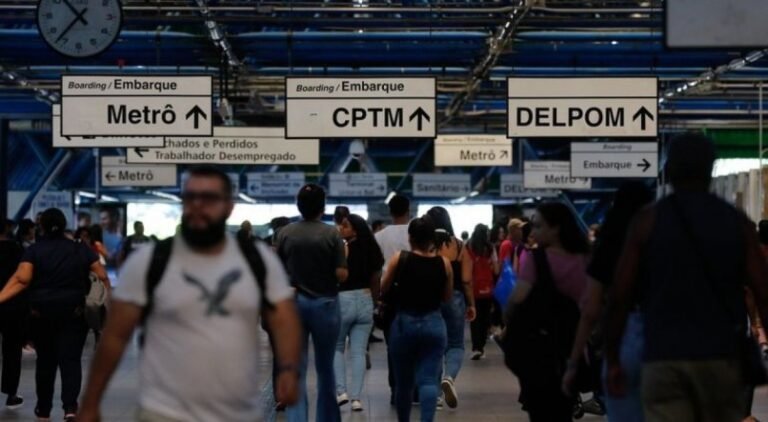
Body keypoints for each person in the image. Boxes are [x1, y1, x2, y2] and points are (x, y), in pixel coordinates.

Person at [79, 166, 301, 422]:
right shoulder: (150, 261)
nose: (198, 205)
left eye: (209, 198)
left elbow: (284, 318)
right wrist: (91, 403)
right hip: (164, 412)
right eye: (190, 197)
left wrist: (289, 368)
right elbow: (116, 336)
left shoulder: (256, 260)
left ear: (229, 207)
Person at [606, 133, 768, 422]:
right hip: (721, 358)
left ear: (669, 170)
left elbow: (620, 295)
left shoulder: (647, 222)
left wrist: (613, 357)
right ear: (710, 168)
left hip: (663, 356)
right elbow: (763, 291)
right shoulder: (737, 222)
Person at [0, 208, 110, 422]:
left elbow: (22, 279)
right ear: (63, 224)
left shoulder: (34, 251)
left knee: (46, 363)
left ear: (41, 226)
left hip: (41, 316)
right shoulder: (80, 250)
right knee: (70, 361)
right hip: (74, 315)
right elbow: (102, 275)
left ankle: (43, 410)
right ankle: (70, 408)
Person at [561, 182, 655, 422]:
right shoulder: (666, 241)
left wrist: (574, 361)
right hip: (665, 340)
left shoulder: (609, 247)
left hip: (624, 338)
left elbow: (590, 309)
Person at [506, 202, 590, 422]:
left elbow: (517, 300)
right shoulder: (584, 259)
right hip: (573, 346)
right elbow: (590, 310)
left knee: (541, 413)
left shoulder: (535, 260)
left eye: (539, 226)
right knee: (564, 412)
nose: (532, 233)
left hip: (539, 351)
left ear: (556, 228)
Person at [277, 184, 348, 422]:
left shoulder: (285, 233)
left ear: (299, 205)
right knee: (325, 368)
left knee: (297, 367)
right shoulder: (332, 234)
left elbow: (277, 271)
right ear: (322, 206)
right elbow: (340, 273)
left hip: (294, 303)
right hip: (325, 304)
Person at [382, 217, 452, 422]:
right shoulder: (444, 263)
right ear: (432, 238)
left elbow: (383, 288)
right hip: (434, 323)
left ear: (410, 238)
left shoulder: (399, 259)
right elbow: (447, 297)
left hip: (405, 323)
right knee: (429, 380)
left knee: (404, 383)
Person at [424, 206, 475, 410]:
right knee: (455, 345)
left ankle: (436, 396)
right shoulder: (460, 246)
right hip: (455, 298)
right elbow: (466, 280)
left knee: (434, 346)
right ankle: (449, 378)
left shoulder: (424, 244)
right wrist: (471, 304)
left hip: (430, 299)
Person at [334, 214, 385, 412]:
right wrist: (373, 302)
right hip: (365, 299)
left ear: (355, 229)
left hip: (343, 299)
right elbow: (376, 279)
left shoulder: (342, 248)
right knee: (358, 352)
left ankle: (341, 392)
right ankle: (356, 398)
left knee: (337, 348)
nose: (341, 228)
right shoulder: (372, 249)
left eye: (345, 226)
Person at [374, 194, 412, 403]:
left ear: (390, 212)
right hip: (414, 293)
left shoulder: (380, 236)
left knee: (393, 344)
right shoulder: (415, 233)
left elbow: (375, 269)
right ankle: (412, 388)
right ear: (409, 210)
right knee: (413, 343)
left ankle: (395, 388)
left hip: (388, 294)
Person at [0, 219, 25, 410]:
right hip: (13, 305)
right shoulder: (17, 250)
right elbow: (25, 277)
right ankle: (11, 393)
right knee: (12, 351)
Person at [465, 224, 499, 360]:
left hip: (473, 288)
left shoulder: (469, 247)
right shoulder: (490, 249)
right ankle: (482, 346)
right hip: (487, 288)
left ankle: (476, 347)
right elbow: (496, 270)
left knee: (474, 318)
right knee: (485, 318)